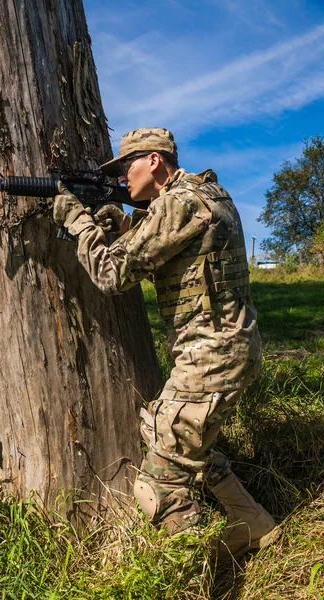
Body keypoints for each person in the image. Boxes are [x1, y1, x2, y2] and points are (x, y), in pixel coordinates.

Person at [53, 128, 279, 559]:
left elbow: (112, 275)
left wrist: (78, 222)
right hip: (225, 352)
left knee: (156, 486)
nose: (123, 178)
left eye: (126, 166)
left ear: (154, 161)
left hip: (210, 358)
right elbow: (168, 247)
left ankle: (189, 571)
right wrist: (118, 222)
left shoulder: (178, 202)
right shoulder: (207, 193)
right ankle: (253, 525)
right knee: (160, 427)